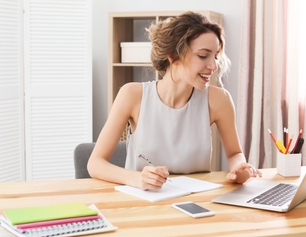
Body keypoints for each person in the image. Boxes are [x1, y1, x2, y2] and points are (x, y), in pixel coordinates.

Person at [87, 11, 261, 190]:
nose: (214, 65)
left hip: (195, 204)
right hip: (144, 203)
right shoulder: (132, 94)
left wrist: (239, 168)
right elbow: (95, 163)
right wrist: (136, 178)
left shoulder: (219, 100)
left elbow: (235, 153)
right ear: (173, 56)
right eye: (203, 56)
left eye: (215, 55)